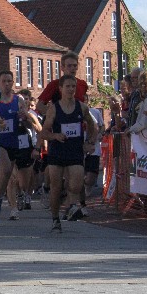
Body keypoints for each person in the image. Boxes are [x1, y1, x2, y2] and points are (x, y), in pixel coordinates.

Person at [38, 75, 98, 233]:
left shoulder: (82, 107)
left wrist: (90, 142)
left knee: (76, 185)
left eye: (73, 86)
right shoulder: (54, 108)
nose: (71, 89)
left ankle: (70, 205)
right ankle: (55, 219)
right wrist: (55, 136)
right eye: (68, 86)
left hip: (75, 151)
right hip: (57, 152)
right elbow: (44, 133)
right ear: (61, 89)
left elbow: (92, 125)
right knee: (56, 187)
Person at [0, 70, 37, 225]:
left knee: (21, 182)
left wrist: (24, 117)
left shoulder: (18, 100)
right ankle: (10, 206)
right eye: (4, 81)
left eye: (9, 81)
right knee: (7, 172)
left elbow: (29, 123)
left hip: (17, 142)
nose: (7, 84)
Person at [35, 52, 88, 116]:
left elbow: (84, 105)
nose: (72, 68)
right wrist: (55, 115)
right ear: (62, 68)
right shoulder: (54, 84)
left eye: (75, 65)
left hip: (78, 120)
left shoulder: (83, 84)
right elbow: (39, 106)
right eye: (69, 66)